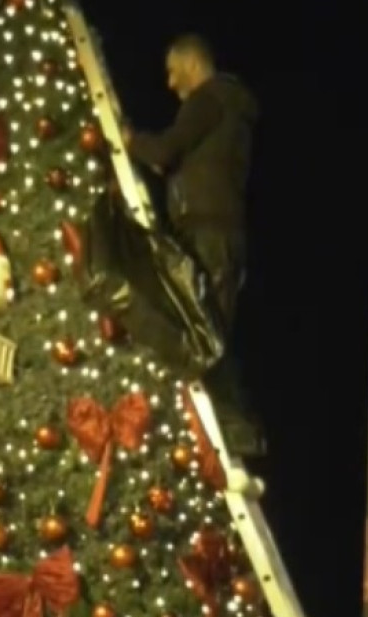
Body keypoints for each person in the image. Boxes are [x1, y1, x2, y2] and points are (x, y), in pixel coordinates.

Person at [124, 34, 264, 455]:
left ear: (192, 64)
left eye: (172, 71)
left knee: (204, 333)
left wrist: (131, 141)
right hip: (222, 235)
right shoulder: (230, 111)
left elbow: (167, 150)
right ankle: (232, 429)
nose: (169, 83)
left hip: (207, 234)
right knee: (208, 328)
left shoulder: (209, 99)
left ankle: (237, 429)